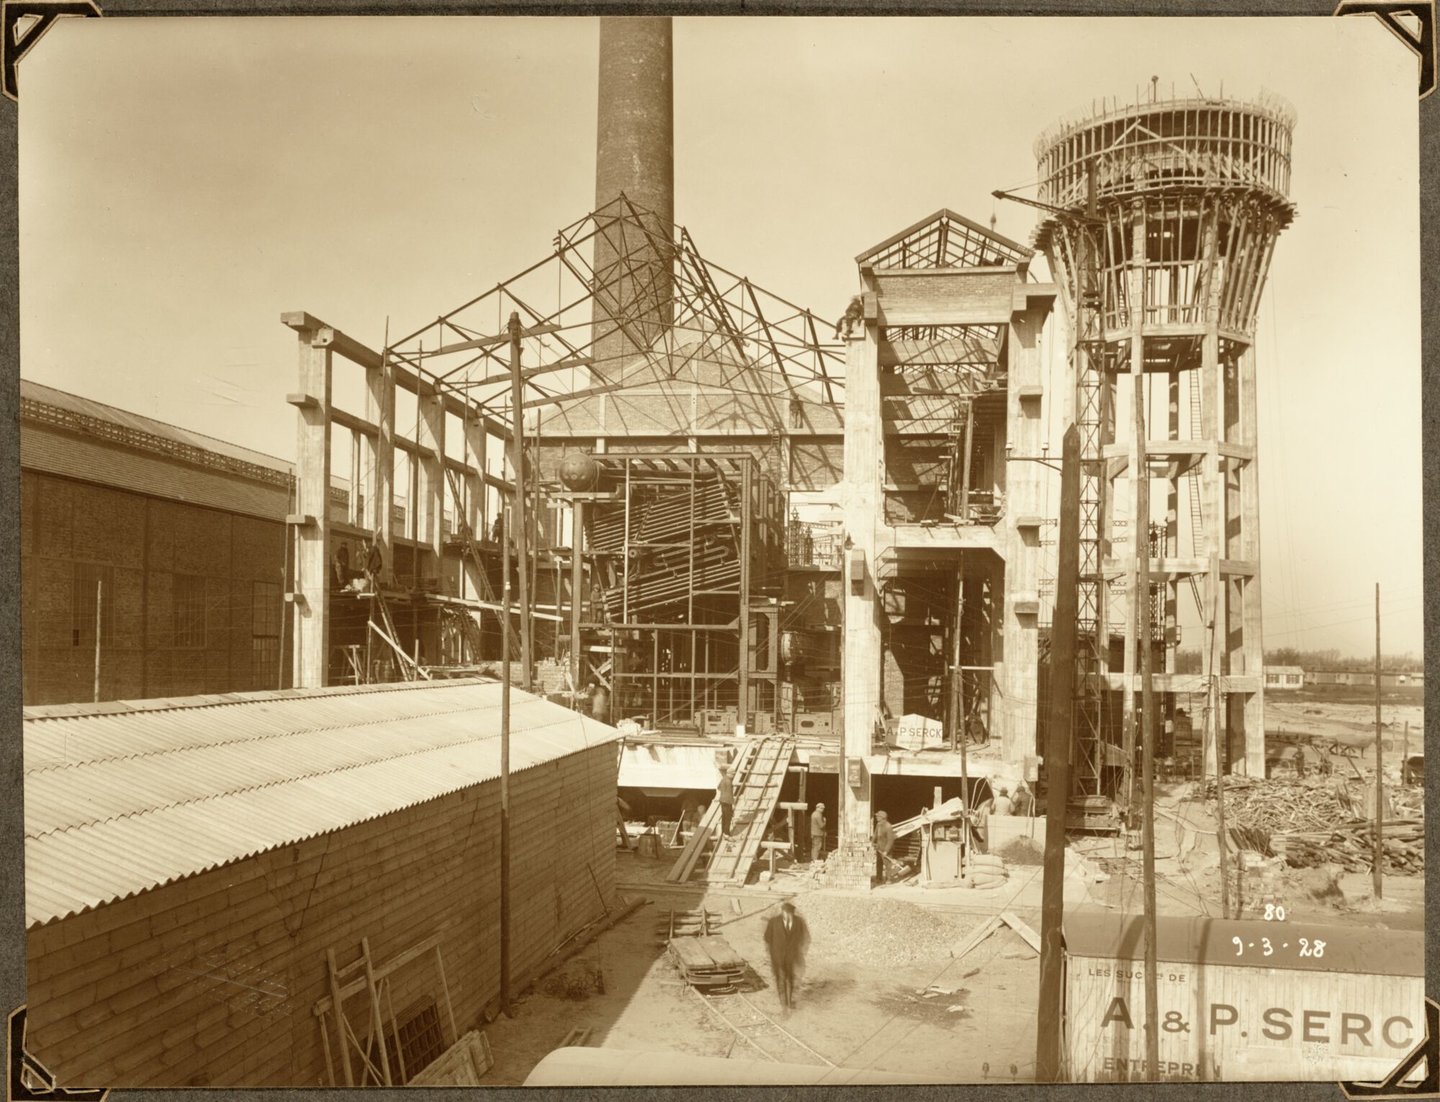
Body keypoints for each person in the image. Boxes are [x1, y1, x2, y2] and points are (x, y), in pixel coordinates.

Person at [763, 900, 810, 1011]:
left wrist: (799, 950)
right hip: (777, 956)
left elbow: (803, 937)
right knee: (780, 979)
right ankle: (783, 1004)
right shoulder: (773, 922)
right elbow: (767, 937)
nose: (788, 915)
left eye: (790, 914)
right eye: (786, 913)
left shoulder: (798, 922)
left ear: (793, 913)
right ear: (782, 912)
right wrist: (773, 951)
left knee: (790, 978)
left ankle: (789, 1002)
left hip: (791, 956)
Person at [873, 810, 896, 882]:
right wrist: (873, 842)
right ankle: (879, 878)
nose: (876, 817)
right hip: (879, 848)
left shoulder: (888, 826)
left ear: (882, 817)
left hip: (886, 849)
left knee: (887, 865)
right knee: (879, 863)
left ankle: (889, 879)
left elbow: (890, 840)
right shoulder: (878, 824)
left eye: (878, 816)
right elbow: (875, 834)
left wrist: (886, 851)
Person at [717, 768, 735, 836]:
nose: (733, 776)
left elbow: (718, 787)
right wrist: (733, 804)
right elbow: (730, 793)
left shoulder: (723, 779)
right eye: (733, 774)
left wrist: (723, 791)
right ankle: (727, 833)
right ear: (730, 774)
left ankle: (723, 832)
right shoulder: (729, 781)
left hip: (722, 800)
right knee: (728, 817)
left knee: (724, 816)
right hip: (728, 801)